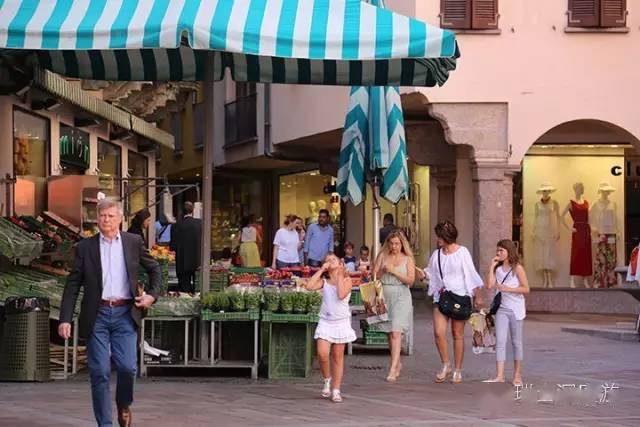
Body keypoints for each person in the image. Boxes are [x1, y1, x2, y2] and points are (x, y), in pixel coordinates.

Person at [59, 199, 161, 427]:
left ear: (120, 219)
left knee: (127, 367)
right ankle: (105, 424)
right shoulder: (85, 247)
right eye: (102, 216)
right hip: (98, 314)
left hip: (126, 313)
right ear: (97, 219)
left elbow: (155, 269)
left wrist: (151, 296)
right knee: (100, 371)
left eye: (111, 216)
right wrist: (65, 318)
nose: (106, 220)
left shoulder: (133, 242)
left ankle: (123, 404)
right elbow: (73, 284)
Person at [425, 220, 483, 384]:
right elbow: (431, 273)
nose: (438, 240)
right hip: (442, 297)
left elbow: (471, 273)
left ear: (447, 237)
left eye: (440, 237)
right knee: (438, 333)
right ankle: (446, 364)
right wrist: (423, 275)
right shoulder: (436, 254)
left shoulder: (462, 252)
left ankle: (457, 370)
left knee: (457, 334)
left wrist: (477, 294)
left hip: (459, 296)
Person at [305, 254, 356, 403]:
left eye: (333, 259)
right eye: (327, 260)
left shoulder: (347, 280)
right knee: (322, 353)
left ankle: (336, 389)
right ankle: (327, 379)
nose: (330, 261)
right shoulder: (324, 282)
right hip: (326, 321)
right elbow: (309, 286)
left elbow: (341, 294)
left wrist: (340, 274)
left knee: (337, 357)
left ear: (340, 264)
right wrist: (321, 270)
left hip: (341, 322)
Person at [484, 239, 529, 386]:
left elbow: (526, 289)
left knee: (516, 342)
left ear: (509, 252)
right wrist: (491, 266)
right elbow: (490, 285)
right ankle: (500, 375)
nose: (498, 253)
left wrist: (509, 289)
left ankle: (517, 376)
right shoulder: (497, 269)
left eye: (501, 251)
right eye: (497, 250)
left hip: (516, 310)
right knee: (501, 341)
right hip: (502, 309)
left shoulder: (518, 268)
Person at [373, 230, 416, 382]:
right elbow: (374, 276)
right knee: (389, 333)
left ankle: (392, 368)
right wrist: (381, 272)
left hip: (402, 296)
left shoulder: (408, 259)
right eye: (391, 243)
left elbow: (411, 280)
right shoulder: (382, 256)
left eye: (397, 243)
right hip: (385, 296)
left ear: (402, 244)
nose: (394, 246)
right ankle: (397, 363)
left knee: (396, 332)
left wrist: (393, 271)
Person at [170, 201, 202, 293]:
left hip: (182, 263)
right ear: (192, 211)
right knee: (198, 291)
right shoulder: (200, 224)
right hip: (198, 262)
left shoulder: (176, 226)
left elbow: (172, 247)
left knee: (184, 292)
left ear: (181, 212)